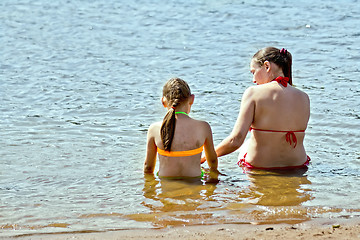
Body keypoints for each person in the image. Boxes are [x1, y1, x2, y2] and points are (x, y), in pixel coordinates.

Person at [206, 47, 310, 170]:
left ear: (267, 66)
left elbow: (236, 140)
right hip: (297, 165)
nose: (253, 80)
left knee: (247, 144)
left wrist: (205, 157)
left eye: (253, 72)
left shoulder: (253, 93)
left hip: (260, 166)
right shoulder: (304, 97)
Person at [144, 77, 218, 178]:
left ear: (163, 102)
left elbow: (148, 167)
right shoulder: (203, 127)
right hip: (194, 184)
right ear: (192, 99)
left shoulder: (154, 129)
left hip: (166, 188)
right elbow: (213, 161)